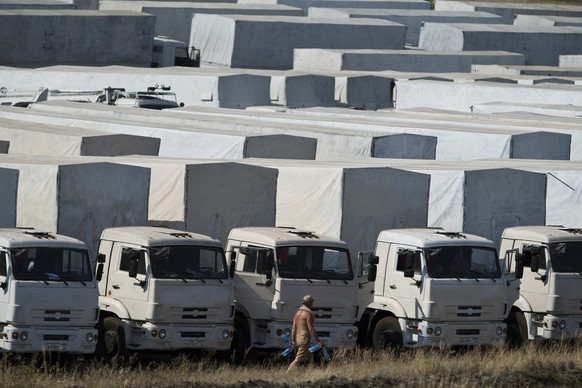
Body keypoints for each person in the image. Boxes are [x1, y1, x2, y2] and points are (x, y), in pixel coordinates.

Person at [287, 295, 324, 371]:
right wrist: (318, 341)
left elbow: (294, 328)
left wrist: (293, 340)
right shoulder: (308, 314)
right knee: (299, 358)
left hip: (298, 338)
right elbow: (311, 329)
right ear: (308, 303)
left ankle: (310, 373)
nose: (312, 304)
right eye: (312, 302)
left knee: (310, 357)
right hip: (305, 338)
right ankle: (288, 372)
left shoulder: (297, 313)